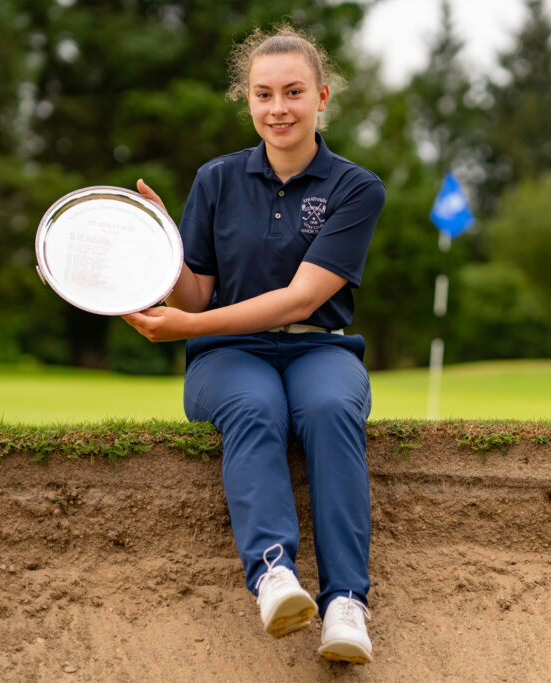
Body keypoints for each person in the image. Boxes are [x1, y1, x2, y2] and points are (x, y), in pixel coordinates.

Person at [121, 26, 384, 665]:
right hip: (228, 359)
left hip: (320, 348)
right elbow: (195, 293)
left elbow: (299, 299)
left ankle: (346, 603)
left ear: (322, 97)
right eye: (264, 94)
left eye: (294, 92)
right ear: (247, 101)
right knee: (255, 407)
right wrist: (163, 251)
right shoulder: (215, 179)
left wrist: (184, 327)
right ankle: (274, 577)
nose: (279, 108)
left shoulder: (356, 187)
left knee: (327, 411)